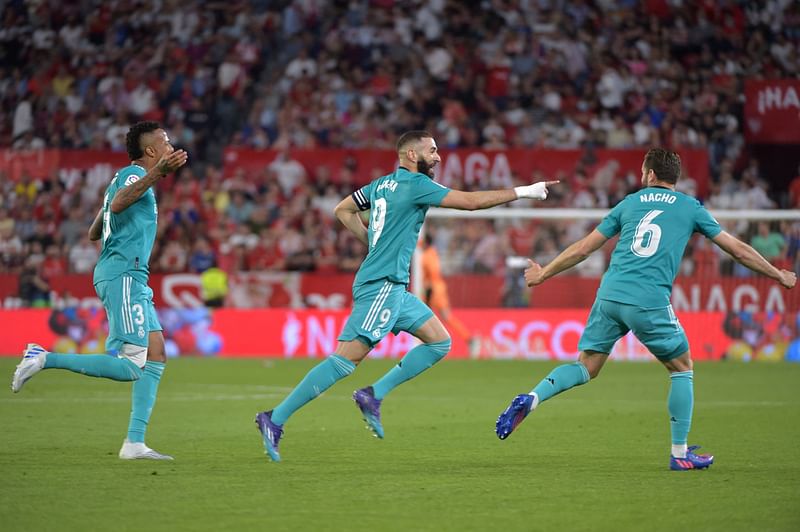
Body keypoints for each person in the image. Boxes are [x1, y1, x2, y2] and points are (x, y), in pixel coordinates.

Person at [255, 130, 558, 462]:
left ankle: (374, 394)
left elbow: (343, 210)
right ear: (412, 155)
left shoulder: (381, 185)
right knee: (345, 360)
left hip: (394, 288)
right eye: (432, 150)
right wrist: (524, 191)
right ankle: (275, 418)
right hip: (382, 285)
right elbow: (470, 203)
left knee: (440, 341)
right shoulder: (416, 185)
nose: (438, 156)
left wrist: (372, 241)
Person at [494, 148, 797, 471]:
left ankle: (533, 397)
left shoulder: (629, 203)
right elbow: (736, 249)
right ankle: (680, 454)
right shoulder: (690, 207)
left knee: (587, 365)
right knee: (682, 367)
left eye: (642, 170)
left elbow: (584, 248)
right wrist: (777, 274)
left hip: (609, 295)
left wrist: (543, 274)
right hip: (648, 300)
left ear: (651, 174)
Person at [11, 121, 188, 460]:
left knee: (157, 352)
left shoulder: (128, 182)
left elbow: (96, 229)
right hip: (123, 274)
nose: (170, 147)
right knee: (131, 366)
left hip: (131, 275)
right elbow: (119, 203)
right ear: (150, 151)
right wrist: (156, 175)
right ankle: (44, 357)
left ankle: (135, 442)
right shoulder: (135, 176)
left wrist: (112, 211)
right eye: (165, 142)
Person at [421, 233, 479, 356]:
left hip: (433, 290)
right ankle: (469, 339)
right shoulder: (432, 252)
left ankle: (468, 339)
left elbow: (432, 273)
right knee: (443, 317)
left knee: (426, 318)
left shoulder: (427, 256)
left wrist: (428, 294)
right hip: (437, 288)